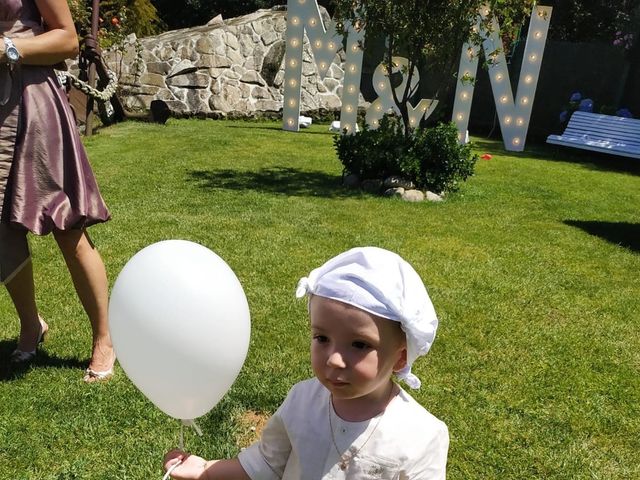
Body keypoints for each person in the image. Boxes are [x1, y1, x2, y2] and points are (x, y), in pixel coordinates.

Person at [164, 246, 449, 479]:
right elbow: (266, 463)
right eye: (322, 338)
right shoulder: (302, 401)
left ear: (400, 356)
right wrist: (204, 470)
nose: (334, 359)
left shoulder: (422, 435)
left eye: (360, 345)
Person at [1, 0, 115, 382]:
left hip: (32, 105)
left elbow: (67, 40)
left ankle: (105, 337)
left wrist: (7, 48)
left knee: (66, 225)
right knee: (2, 230)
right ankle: (31, 325)